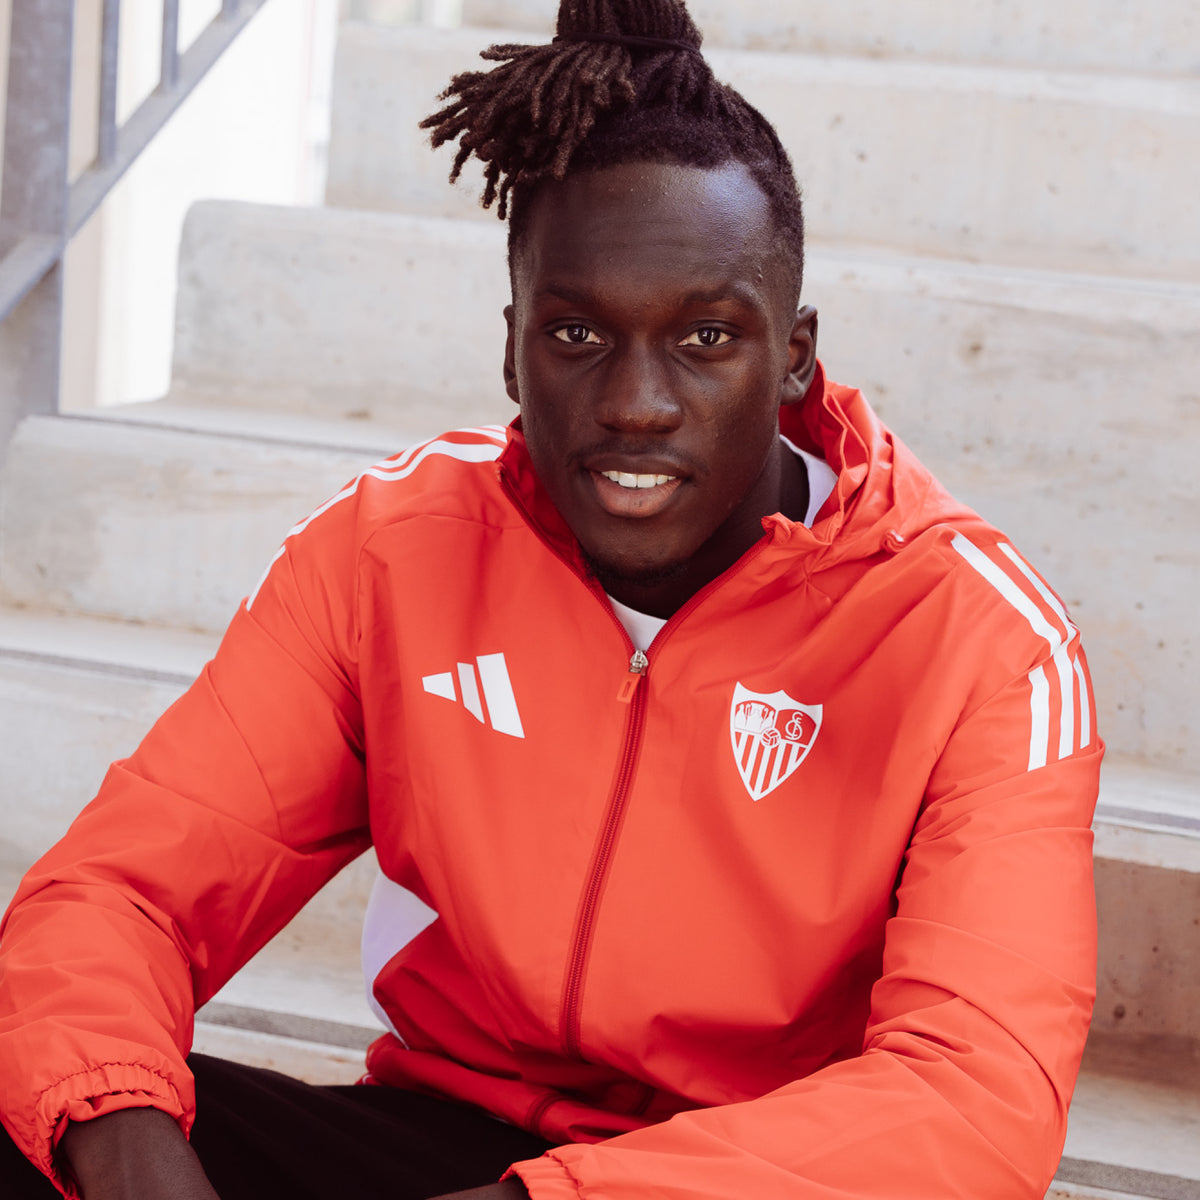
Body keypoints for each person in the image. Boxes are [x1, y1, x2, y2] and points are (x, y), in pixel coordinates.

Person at [0, 0, 1102, 1196]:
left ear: (793, 353)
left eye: (706, 338)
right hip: (446, 1136)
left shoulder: (979, 642)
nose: (637, 403)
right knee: (55, 1100)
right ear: (512, 345)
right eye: (577, 333)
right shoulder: (393, 556)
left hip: (756, 1175)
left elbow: (971, 1103)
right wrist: (127, 1155)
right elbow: (121, 897)